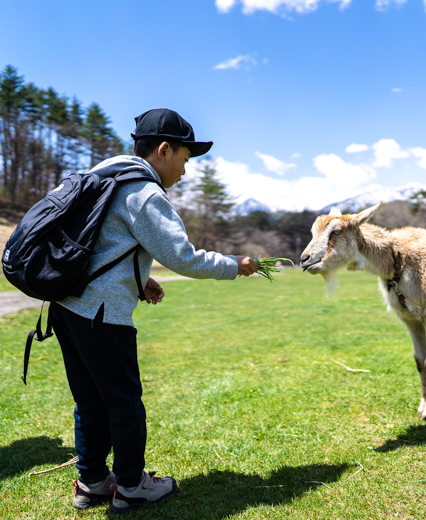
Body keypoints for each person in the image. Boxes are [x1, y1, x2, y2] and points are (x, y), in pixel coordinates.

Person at [48, 108, 258, 513]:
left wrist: (138, 278)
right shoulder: (143, 192)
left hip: (67, 307)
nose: (185, 169)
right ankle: (130, 485)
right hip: (101, 315)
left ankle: (91, 482)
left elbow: (101, 244)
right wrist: (235, 264)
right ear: (164, 150)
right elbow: (183, 257)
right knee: (124, 402)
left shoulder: (103, 177)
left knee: (90, 400)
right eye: (184, 158)